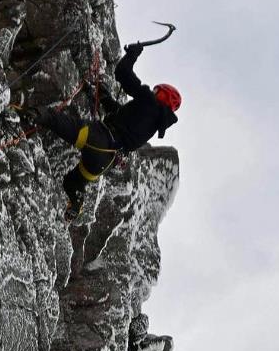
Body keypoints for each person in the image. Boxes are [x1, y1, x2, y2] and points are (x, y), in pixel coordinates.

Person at [28, 43, 181, 222]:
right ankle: (75, 202)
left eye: (157, 91)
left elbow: (122, 72)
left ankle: (31, 115)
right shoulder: (154, 125)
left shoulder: (148, 100)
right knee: (72, 182)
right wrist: (103, 95)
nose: (154, 92)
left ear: (162, 95)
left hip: (97, 137)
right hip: (104, 161)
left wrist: (132, 54)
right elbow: (121, 117)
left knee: (55, 120)